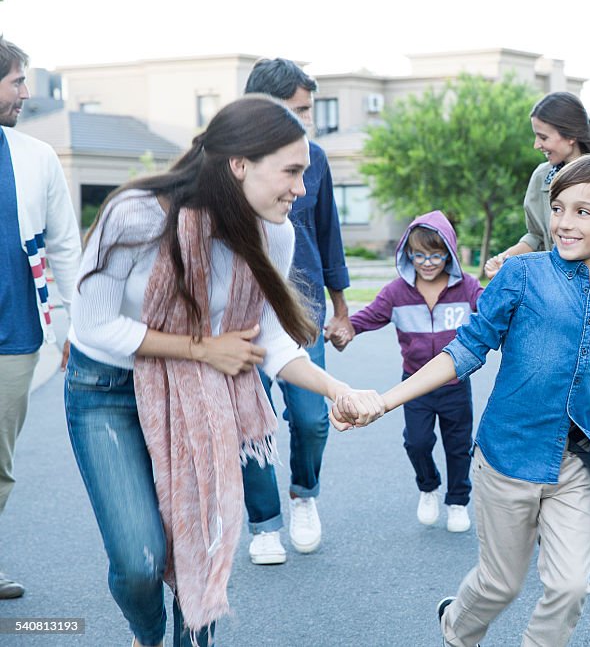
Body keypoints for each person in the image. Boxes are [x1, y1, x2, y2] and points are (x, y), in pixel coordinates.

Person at [333, 155, 590, 647]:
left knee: (570, 586)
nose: (564, 223)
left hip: (573, 465)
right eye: (559, 208)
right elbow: (464, 350)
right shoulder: (521, 276)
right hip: (507, 457)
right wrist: (385, 401)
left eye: (584, 212)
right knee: (499, 584)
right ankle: (456, 629)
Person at [64, 95, 383, 647]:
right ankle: (147, 634)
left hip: (201, 397)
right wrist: (202, 349)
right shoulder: (139, 213)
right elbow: (92, 325)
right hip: (107, 391)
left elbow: (268, 338)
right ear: (240, 164)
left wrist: (338, 389)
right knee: (140, 560)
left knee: (202, 543)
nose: (301, 189)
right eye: (291, 171)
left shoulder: (272, 233)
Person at [484, 91, 590, 536]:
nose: (538, 145)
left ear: (570, 136)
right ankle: (552, 493)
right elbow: (536, 236)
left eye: (543, 136)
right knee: (551, 400)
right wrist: (507, 260)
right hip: (551, 310)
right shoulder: (541, 178)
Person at [241, 57, 354, 565]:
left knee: (312, 418)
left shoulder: (317, 159)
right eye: (298, 111)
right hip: (240, 314)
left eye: (308, 111)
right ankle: (264, 523)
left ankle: (303, 495)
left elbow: (327, 232)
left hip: (302, 309)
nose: (305, 122)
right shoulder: (229, 161)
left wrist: (341, 308)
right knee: (252, 421)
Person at [0, 36, 81, 600]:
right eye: (16, 82)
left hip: (16, 338)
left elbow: (66, 249)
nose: (26, 93)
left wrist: (75, 326)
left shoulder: (36, 157)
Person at [347, 211, 482, 533]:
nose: (428, 262)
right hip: (415, 385)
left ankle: (458, 501)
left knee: (458, 445)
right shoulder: (397, 292)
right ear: (408, 253)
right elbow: (365, 318)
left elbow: (494, 314)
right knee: (417, 442)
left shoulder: (467, 288)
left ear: (449, 252)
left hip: (455, 384)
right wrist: (340, 329)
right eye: (419, 255)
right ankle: (428, 486)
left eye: (436, 255)